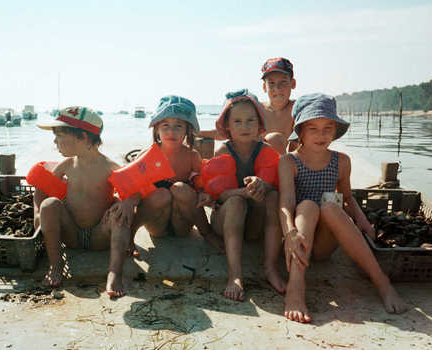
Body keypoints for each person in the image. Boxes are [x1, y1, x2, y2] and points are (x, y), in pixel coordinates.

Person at [278, 93, 408, 323]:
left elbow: (347, 199)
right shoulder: (289, 162)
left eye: (328, 127)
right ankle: (295, 288)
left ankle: (381, 281)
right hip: (298, 239)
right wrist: (289, 232)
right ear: (300, 131)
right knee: (307, 205)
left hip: (323, 245)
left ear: (336, 130)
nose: (321, 135)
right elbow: (286, 203)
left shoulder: (342, 161)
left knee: (330, 206)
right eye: (313, 128)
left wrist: (364, 223)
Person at [34, 106, 137, 297]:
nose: (54, 141)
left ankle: (115, 272)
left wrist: (126, 203)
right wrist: (39, 214)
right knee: (49, 205)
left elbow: (134, 190)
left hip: (100, 235)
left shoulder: (110, 167)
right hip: (71, 233)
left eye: (59, 135)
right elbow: (43, 190)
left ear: (83, 137)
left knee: (120, 215)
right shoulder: (66, 165)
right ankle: (56, 264)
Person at [124, 94, 225, 254]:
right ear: (156, 129)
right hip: (157, 224)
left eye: (178, 126)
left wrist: (206, 194)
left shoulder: (192, 156)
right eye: (165, 125)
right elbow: (133, 189)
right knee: (161, 194)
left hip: (182, 224)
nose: (171, 131)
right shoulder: (147, 155)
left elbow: (203, 185)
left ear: (188, 130)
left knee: (180, 188)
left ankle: (207, 233)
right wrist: (129, 202)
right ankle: (130, 235)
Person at [210, 89, 284, 301]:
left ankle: (270, 268)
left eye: (251, 120)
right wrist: (244, 192)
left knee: (272, 196)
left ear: (260, 123)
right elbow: (220, 196)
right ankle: (235, 275)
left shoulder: (266, 150)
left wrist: (265, 185)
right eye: (238, 121)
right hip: (226, 220)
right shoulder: (223, 151)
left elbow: (275, 185)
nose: (245, 126)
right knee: (235, 202)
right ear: (227, 126)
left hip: (253, 225)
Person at [196, 57, 296, 154]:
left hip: (278, 163)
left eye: (283, 82)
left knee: (274, 139)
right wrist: (197, 132)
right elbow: (229, 130)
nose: (277, 88)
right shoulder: (256, 109)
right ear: (264, 87)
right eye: (271, 83)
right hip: (253, 160)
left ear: (293, 83)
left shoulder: (296, 109)